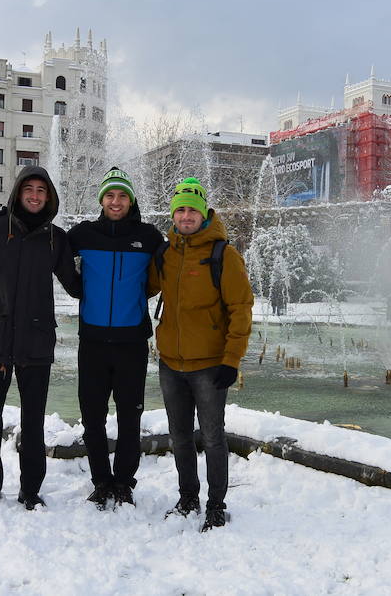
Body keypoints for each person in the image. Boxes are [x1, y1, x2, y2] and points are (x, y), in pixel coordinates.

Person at [0, 166, 81, 511]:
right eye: (30, 189)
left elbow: (77, 285)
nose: (36, 195)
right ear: (18, 192)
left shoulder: (55, 238)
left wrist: (94, 243)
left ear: (49, 196)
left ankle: (30, 489)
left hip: (36, 343)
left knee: (33, 421)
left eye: (42, 190)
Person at [148, 177, 254, 532]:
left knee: (212, 437)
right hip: (170, 363)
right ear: (174, 215)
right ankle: (188, 497)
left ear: (204, 212)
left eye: (192, 209)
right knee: (179, 436)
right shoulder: (165, 253)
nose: (186, 215)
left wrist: (231, 360)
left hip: (209, 366)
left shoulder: (223, 254)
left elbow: (241, 308)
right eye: (180, 209)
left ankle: (216, 505)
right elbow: (142, 284)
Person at [67, 167, 163, 509]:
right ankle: (101, 482)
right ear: (101, 200)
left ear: (131, 200)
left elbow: (169, 268)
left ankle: (123, 482)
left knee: (128, 417)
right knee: (92, 418)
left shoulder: (149, 237)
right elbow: (58, 254)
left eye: (122, 195)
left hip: (131, 345)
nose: (116, 201)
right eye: (110, 195)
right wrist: (78, 289)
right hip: (92, 343)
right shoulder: (84, 234)